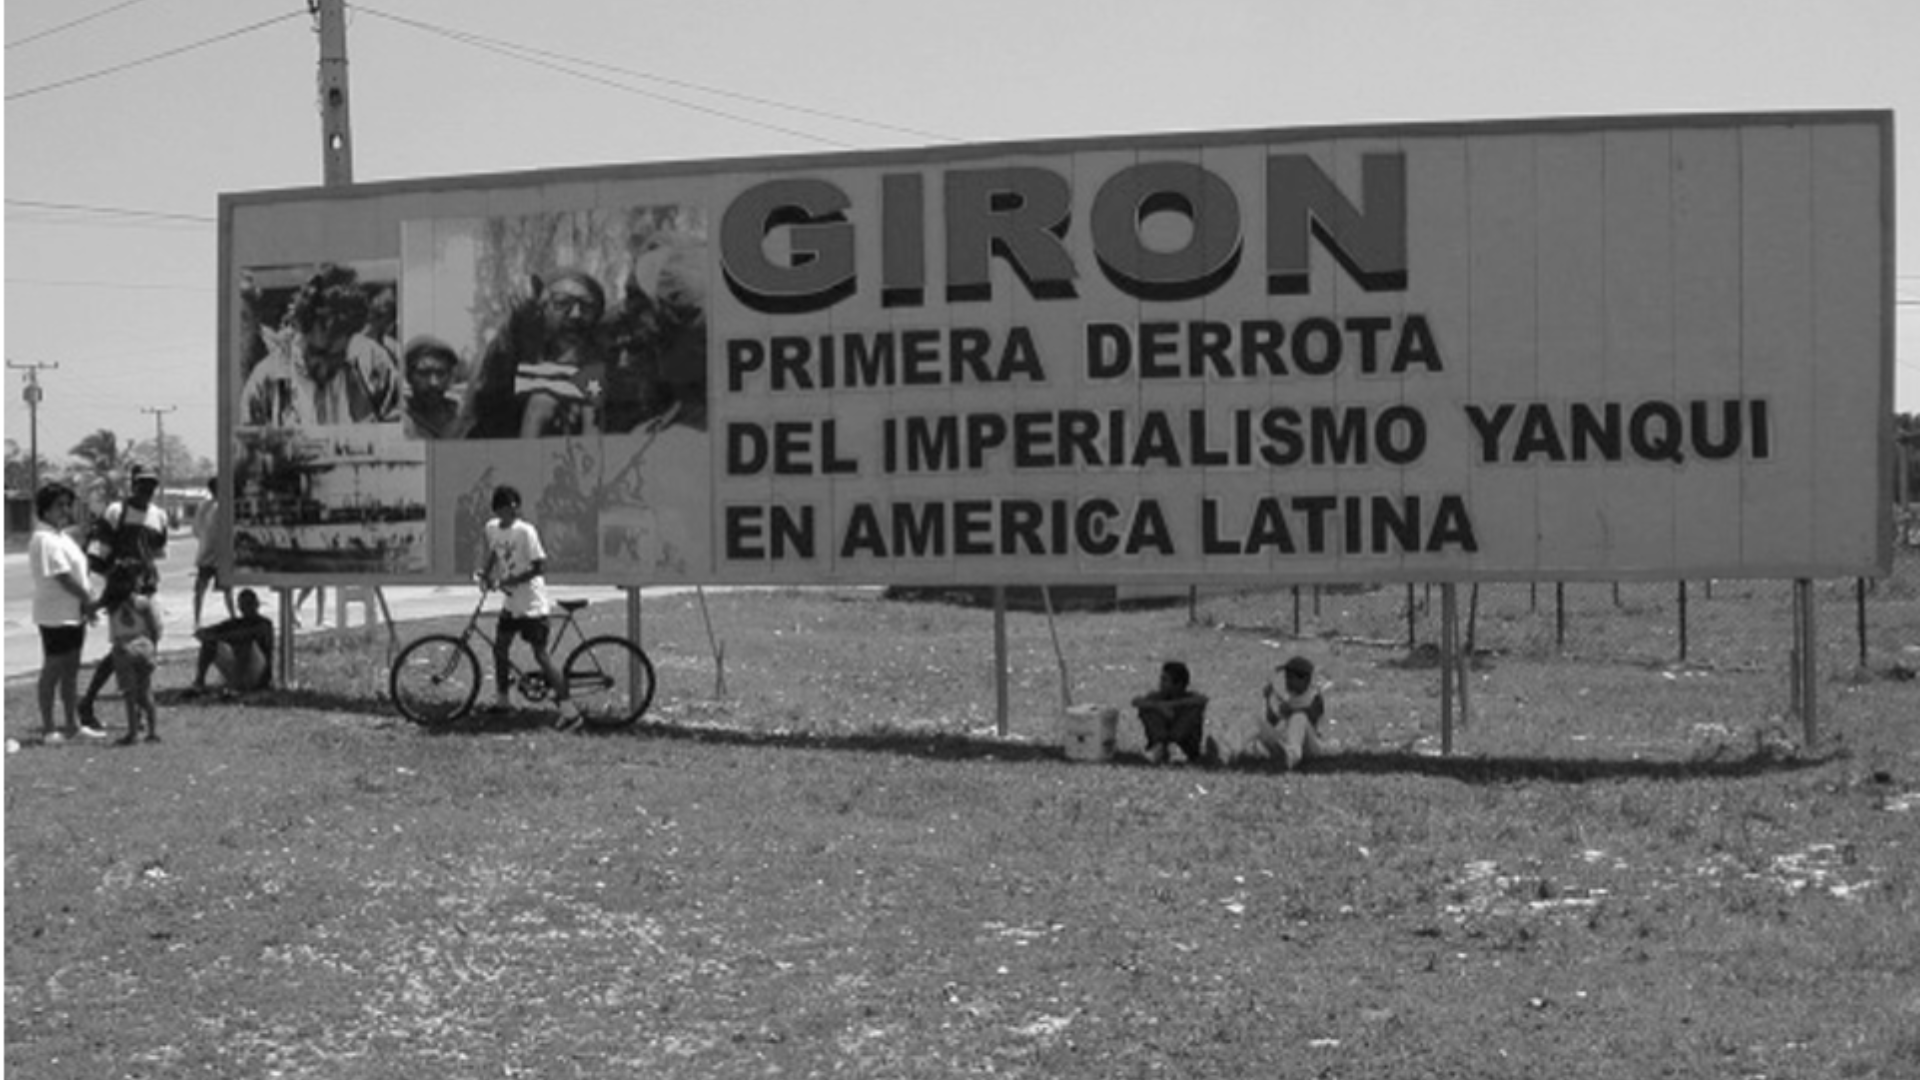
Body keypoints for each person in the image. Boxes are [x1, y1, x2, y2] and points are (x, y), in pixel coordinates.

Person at [239, 264, 400, 427]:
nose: (325, 370)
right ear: (302, 332)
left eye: (337, 357)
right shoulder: (266, 379)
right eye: (318, 354)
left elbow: (401, 421)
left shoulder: (372, 360)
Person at [476, 485, 581, 729]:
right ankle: (503, 702)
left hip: (532, 604)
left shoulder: (526, 531)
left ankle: (571, 713)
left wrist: (509, 581)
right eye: (508, 507)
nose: (513, 511)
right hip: (511, 603)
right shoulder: (492, 528)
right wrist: (485, 572)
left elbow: (539, 567)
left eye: (516, 506)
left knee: (541, 656)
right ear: (497, 509)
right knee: (500, 648)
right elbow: (494, 552)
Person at [459, 270, 610, 439]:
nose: (576, 314)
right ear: (542, 308)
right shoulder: (515, 359)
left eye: (587, 307)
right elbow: (484, 394)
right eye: (562, 303)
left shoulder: (596, 367)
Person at [77, 464, 169, 731]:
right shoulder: (116, 512)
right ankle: (97, 703)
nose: (147, 490)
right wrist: (117, 583)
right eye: (142, 484)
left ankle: (134, 707)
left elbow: (158, 551)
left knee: (145, 650)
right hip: (122, 597)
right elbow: (96, 555)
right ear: (133, 484)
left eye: (152, 485)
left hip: (148, 590)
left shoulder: (159, 516)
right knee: (123, 650)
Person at [29, 483, 102, 744]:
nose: (65, 509)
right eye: (59, 505)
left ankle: (73, 724)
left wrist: (85, 604)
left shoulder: (62, 537)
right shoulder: (44, 538)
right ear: (45, 509)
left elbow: (79, 572)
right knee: (53, 669)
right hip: (55, 615)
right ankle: (49, 729)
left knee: (71, 671)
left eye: (67, 504)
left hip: (73, 613)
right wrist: (88, 599)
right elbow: (62, 577)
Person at [101, 566, 162, 745]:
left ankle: (133, 733)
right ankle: (152, 732)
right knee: (146, 691)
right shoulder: (143, 602)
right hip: (144, 647)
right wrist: (153, 649)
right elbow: (154, 628)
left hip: (123, 649)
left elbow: (94, 608)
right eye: (139, 579)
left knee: (130, 694)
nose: (141, 582)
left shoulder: (112, 605)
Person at [188, 588, 274, 696]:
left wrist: (217, 636)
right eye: (243, 605)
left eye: (249, 604)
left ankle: (235, 687)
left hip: (258, 674)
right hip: (238, 668)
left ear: (257, 604)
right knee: (210, 643)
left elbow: (244, 635)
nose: (247, 608)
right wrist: (204, 634)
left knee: (246, 644)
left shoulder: (264, 624)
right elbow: (217, 629)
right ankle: (199, 682)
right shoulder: (237, 623)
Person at [1250, 655, 1330, 770]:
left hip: (1311, 746)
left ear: (1305, 680)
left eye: (1291, 678)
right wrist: (1268, 700)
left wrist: (1291, 711)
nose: (1287, 682)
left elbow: (1312, 716)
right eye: (1287, 677)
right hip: (1288, 741)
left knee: (1299, 717)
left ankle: (1291, 757)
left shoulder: (1314, 697)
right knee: (1255, 722)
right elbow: (1273, 721)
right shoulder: (1290, 698)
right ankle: (1227, 751)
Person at [1131, 660, 1211, 765]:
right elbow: (1136, 701)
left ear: (1178, 684)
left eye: (1165, 680)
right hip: (1160, 742)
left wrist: (1170, 705)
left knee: (1193, 710)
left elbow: (1202, 700)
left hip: (1186, 746)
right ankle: (1160, 746)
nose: (1160, 683)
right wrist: (1159, 706)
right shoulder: (1157, 697)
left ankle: (1175, 746)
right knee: (1148, 709)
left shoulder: (1190, 698)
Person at [401, 335, 463, 439]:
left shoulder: (462, 417)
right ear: (408, 376)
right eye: (424, 373)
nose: (434, 383)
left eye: (441, 373)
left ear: (450, 377)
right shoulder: (401, 420)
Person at [192, 477, 234, 626]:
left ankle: (197, 620)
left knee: (200, 590)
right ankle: (233, 616)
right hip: (221, 554)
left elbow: (196, 530)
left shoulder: (203, 506)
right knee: (227, 590)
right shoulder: (225, 505)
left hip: (206, 553)